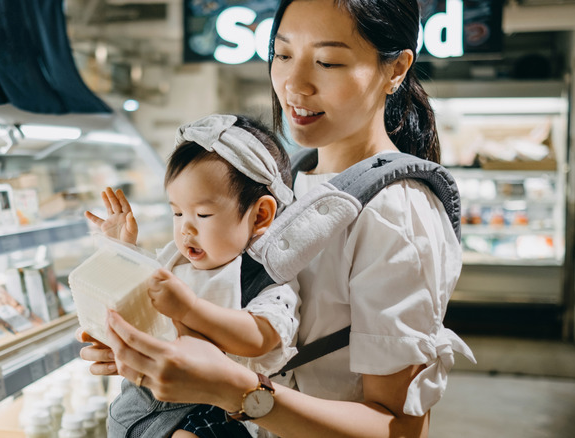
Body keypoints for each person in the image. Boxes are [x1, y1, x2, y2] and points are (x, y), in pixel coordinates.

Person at [78, 0, 476, 437]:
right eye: (283, 54)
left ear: (396, 69)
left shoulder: (396, 211)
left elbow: (400, 428)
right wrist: (154, 352)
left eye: (327, 61)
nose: (294, 85)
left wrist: (236, 391)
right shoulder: (293, 181)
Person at [84, 114, 299, 438]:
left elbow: (260, 338)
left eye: (202, 214)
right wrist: (122, 251)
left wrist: (189, 310)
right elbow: (138, 297)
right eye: (177, 212)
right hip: (141, 405)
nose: (185, 227)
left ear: (260, 216)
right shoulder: (174, 260)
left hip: (216, 412)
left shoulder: (266, 278)